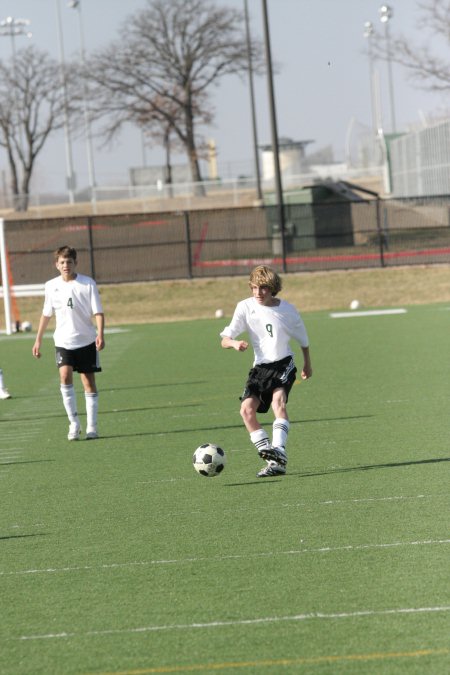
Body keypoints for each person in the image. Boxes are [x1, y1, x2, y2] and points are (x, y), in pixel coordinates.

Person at [220, 265, 312, 478]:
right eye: (254, 288)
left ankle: (279, 450)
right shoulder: (244, 307)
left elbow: (304, 341)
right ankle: (273, 460)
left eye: (263, 288)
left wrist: (308, 364)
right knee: (246, 411)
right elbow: (224, 339)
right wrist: (234, 344)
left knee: (277, 402)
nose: (257, 293)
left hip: (283, 363)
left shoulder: (287, 310)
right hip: (260, 368)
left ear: (273, 288)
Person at [32, 245, 105, 441]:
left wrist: (100, 334)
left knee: (88, 382)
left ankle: (92, 426)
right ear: (57, 265)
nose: (66, 265)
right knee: (64, 376)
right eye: (62, 262)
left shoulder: (87, 284)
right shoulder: (51, 286)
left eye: (69, 262)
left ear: (75, 263)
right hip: (63, 341)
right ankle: (74, 423)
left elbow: (98, 311)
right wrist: (38, 339)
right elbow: (46, 314)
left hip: (86, 340)